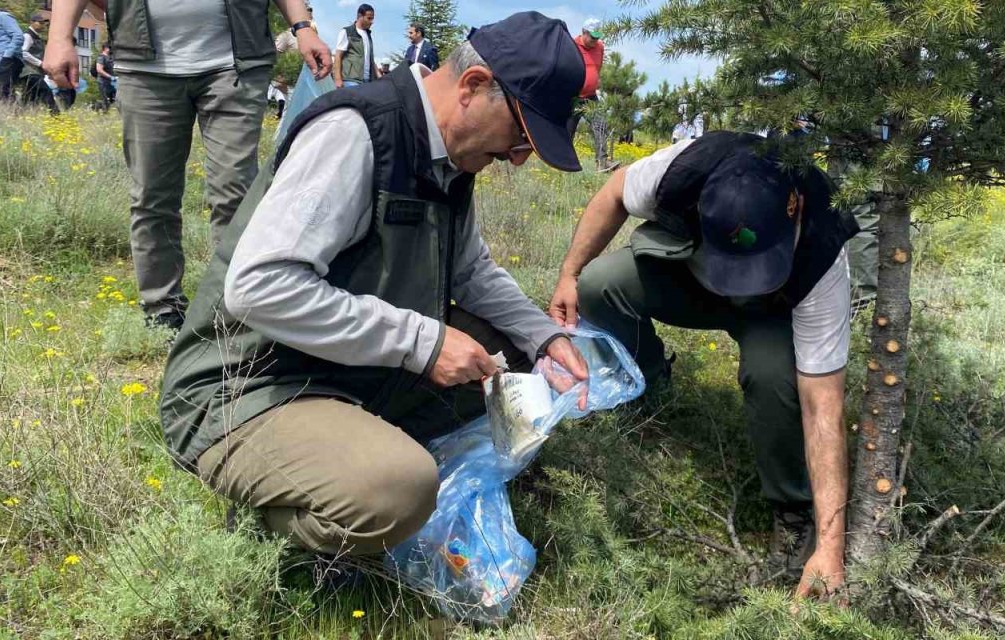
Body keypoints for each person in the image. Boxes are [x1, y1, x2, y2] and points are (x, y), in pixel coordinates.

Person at [159, 12, 590, 559]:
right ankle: (285, 512)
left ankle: (350, 447)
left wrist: (544, 337)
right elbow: (259, 287)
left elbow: (471, 272)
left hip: (344, 365)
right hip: (249, 385)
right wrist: (422, 342)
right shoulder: (357, 132)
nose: (519, 159)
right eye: (521, 134)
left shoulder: (451, 157)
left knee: (513, 353)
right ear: (474, 87)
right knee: (400, 489)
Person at [549, 131, 860, 599]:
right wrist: (568, 274)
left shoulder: (823, 245)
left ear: (794, 207)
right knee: (598, 285)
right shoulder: (682, 169)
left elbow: (824, 406)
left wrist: (832, 547)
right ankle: (649, 385)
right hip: (696, 279)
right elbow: (612, 191)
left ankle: (793, 512)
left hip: (771, 314)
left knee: (773, 378)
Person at [44, 0, 332, 330]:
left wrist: (303, 27)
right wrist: (59, 36)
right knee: (152, 197)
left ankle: (235, 311)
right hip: (144, 68)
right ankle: (162, 310)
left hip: (235, 64)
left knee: (236, 194)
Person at [565, 17, 603, 138]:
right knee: (567, 132)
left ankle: (602, 157)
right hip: (574, 97)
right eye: (593, 37)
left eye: (597, 37)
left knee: (601, 126)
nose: (595, 40)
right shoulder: (572, 45)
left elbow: (598, 67)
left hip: (591, 96)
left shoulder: (600, 47)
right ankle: (566, 157)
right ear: (584, 32)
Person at [19, 14, 58, 115]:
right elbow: (23, 53)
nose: (42, 25)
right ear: (32, 22)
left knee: (29, 98)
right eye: (40, 23)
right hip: (29, 72)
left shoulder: (36, 37)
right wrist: (40, 63)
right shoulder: (27, 36)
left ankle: (18, 116)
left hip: (35, 72)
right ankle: (57, 117)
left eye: (43, 23)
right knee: (46, 91)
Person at [333, 3, 377, 88]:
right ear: (360, 16)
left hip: (367, 81)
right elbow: (338, 56)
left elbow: (371, 59)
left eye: (372, 19)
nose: (371, 22)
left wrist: (379, 76)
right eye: (369, 18)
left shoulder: (368, 35)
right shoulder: (346, 32)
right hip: (350, 80)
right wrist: (338, 79)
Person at [94, 43, 114, 108]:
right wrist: (110, 77)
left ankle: (101, 108)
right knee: (105, 100)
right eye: (109, 48)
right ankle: (97, 107)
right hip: (103, 82)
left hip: (111, 82)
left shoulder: (110, 57)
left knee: (112, 100)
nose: (111, 50)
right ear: (105, 48)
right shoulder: (101, 57)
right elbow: (99, 70)